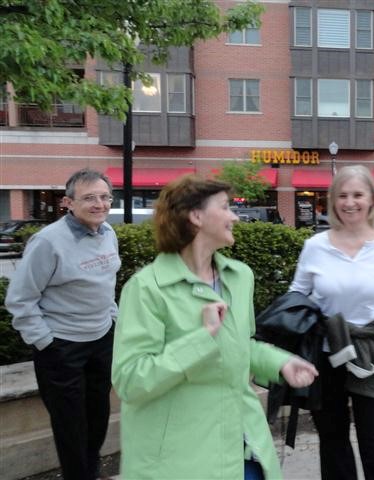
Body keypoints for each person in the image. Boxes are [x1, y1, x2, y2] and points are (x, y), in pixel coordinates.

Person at [111, 175, 318, 479]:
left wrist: (279, 361)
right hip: (180, 461)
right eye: (225, 207)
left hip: (243, 446)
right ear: (195, 216)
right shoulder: (146, 289)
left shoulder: (239, 276)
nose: (235, 216)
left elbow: (239, 345)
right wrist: (202, 337)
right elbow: (130, 381)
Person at [288, 165, 374, 480]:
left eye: (357, 195)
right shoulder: (316, 246)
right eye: (342, 195)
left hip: (372, 351)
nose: (349, 202)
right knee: (332, 439)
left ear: (371, 199)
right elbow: (297, 296)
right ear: (333, 200)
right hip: (326, 351)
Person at [5, 169, 120, 480]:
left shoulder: (108, 232)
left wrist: (112, 320)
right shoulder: (48, 242)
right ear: (69, 202)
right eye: (89, 198)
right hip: (61, 347)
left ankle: (90, 473)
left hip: (100, 340)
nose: (99, 204)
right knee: (70, 427)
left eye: (104, 196)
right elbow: (20, 299)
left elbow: (107, 283)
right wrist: (46, 343)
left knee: (97, 419)